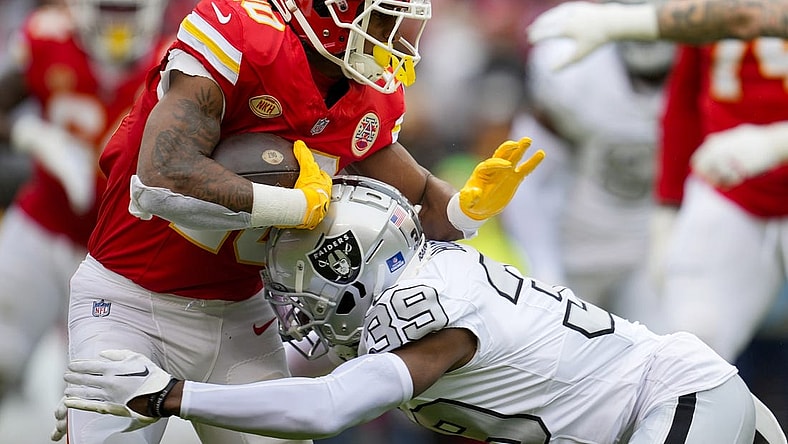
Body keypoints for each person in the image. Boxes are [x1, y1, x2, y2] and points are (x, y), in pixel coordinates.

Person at [57, 0, 545, 442]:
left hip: (241, 317)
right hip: (128, 302)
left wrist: (466, 209)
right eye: (383, 19)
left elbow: (422, 208)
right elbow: (159, 180)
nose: (396, 41)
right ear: (328, 10)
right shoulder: (242, 36)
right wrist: (292, 206)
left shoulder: (360, 95)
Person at [59, 175, 787, 444]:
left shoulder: (428, 312)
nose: (294, 301)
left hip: (678, 396)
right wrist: (106, 401)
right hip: (679, 408)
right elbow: (280, 386)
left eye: (301, 278)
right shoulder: (412, 286)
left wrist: (168, 396)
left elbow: (323, 409)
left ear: (347, 269)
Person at [0, 0, 171, 417]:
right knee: (2, 354)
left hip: (121, 250)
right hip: (44, 226)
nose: (118, 20)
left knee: (98, 399)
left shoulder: (176, 57)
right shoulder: (47, 37)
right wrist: (30, 134)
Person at [501, 2, 675, 321]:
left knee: (665, 360)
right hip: (575, 249)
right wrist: (544, 267)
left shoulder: (704, 69)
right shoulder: (575, 67)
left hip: (652, 253)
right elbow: (526, 177)